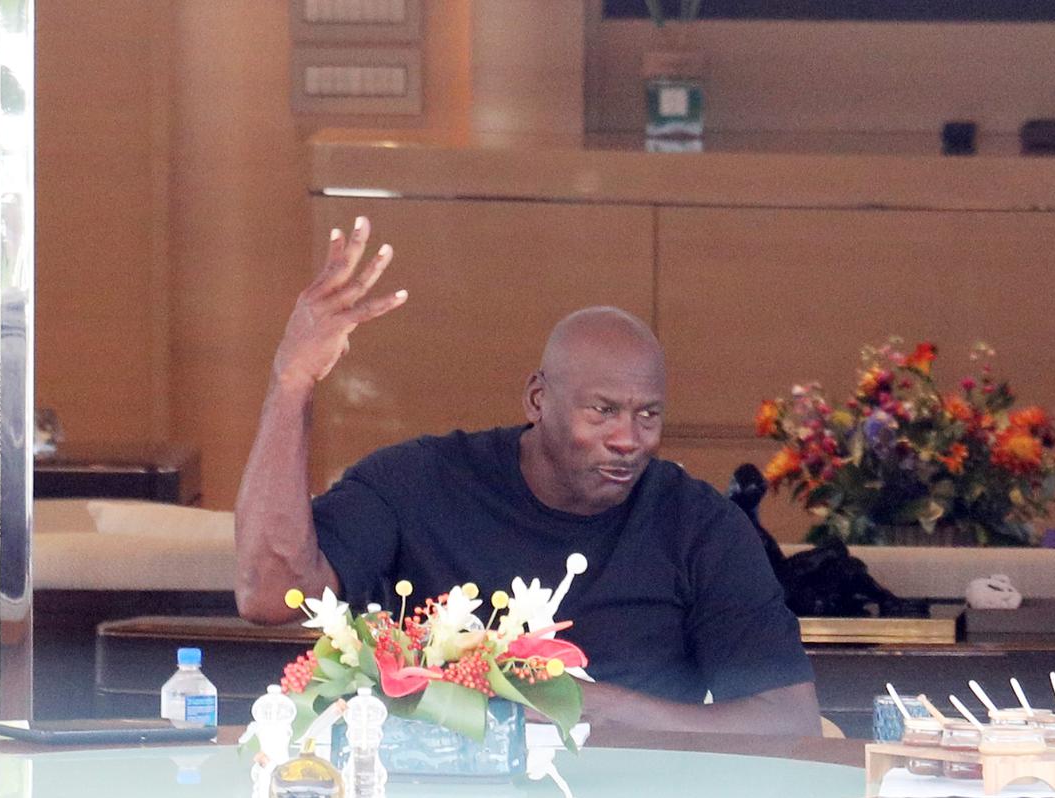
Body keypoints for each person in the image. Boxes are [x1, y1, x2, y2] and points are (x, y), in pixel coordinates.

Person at [235, 217, 821, 736]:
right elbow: (269, 594)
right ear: (538, 399)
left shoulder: (699, 526)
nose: (628, 438)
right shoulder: (418, 484)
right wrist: (293, 381)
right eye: (603, 411)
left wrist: (593, 707)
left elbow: (789, 723)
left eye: (648, 415)